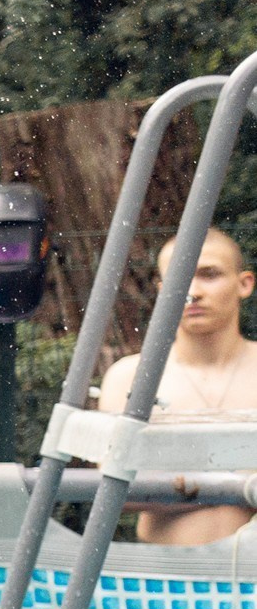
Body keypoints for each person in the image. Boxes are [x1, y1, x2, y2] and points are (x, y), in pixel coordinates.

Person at [97, 227, 257, 544]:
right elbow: (114, 491)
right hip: (165, 582)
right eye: (179, 278)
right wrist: (241, 484)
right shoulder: (129, 377)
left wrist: (178, 483)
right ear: (161, 289)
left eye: (209, 274)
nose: (192, 291)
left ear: (244, 284)